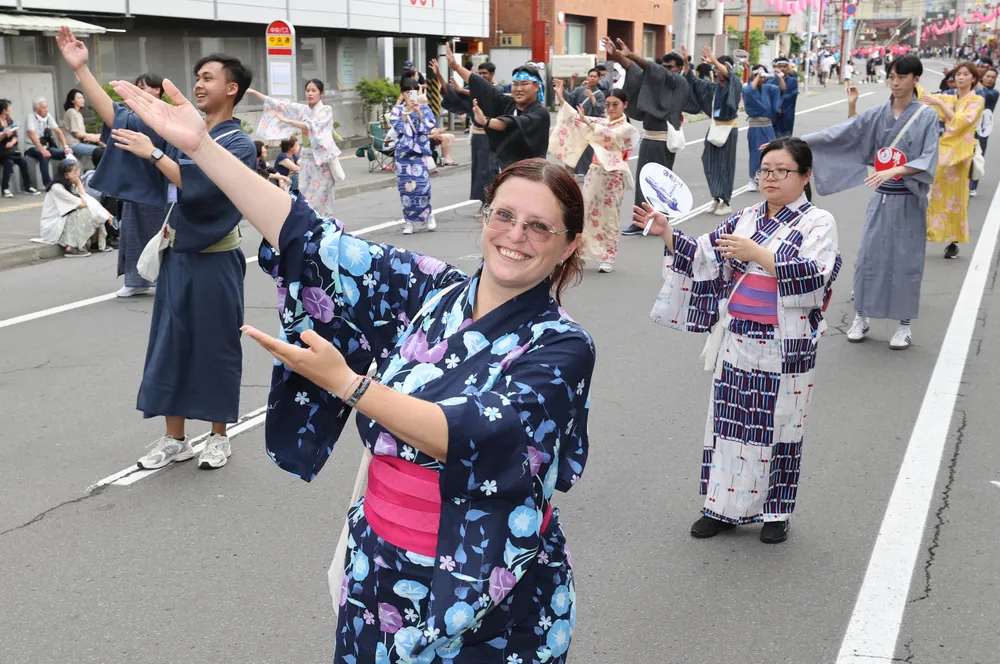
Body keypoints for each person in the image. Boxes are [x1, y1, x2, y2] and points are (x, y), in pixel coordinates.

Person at [108, 67, 598, 658]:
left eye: (539, 226)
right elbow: (309, 237)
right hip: (382, 571)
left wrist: (349, 385)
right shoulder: (433, 293)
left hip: (486, 583)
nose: (515, 236)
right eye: (503, 215)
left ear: (570, 243)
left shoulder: (562, 345)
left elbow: (480, 432)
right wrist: (201, 148)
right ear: (485, 215)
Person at [58, 26, 256, 470]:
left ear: (232, 88)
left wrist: (154, 155)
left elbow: (202, 185)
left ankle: (219, 435)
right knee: (170, 344)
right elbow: (119, 118)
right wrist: (83, 69)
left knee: (217, 346)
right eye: (197, 77)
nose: (199, 84)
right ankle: (174, 438)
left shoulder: (239, 142)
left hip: (217, 257)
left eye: (208, 77)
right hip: (177, 254)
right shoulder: (183, 128)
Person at [636, 137, 840, 544]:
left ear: (804, 176)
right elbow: (704, 256)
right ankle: (722, 508)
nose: (770, 178)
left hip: (786, 344)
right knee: (730, 426)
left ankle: (775, 513)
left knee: (780, 428)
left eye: (782, 171)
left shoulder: (819, 222)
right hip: (738, 338)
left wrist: (758, 253)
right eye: (765, 170)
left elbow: (817, 276)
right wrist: (668, 234)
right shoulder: (745, 216)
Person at [801, 54, 939, 350]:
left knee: (905, 261)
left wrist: (895, 169)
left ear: (916, 79)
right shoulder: (878, 113)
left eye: (902, 77)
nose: (895, 82)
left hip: (909, 201)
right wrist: (792, 145)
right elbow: (848, 137)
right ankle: (861, 316)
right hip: (883, 198)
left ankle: (904, 325)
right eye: (892, 76)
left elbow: (928, 158)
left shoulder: (926, 115)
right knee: (868, 258)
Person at [608, 39, 690, 236]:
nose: (664, 69)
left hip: (663, 139)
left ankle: (658, 221)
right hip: (649, 137)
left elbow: (650, 69)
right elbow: (637, 72)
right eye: (663, 66)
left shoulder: (679, 82)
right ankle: (640, 222)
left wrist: (632, 55)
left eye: (669, 67)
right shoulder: (658, 83)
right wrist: (618, 55)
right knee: (643, 182)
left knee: (660, 184)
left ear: (679, 68)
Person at [551, 83, 634, 273]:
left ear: (625, 105)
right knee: (585, 213)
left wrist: (589, 123)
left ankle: (607, 257)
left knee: (609, 216)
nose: (611, 109)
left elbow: (610, 135)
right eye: (609, 105)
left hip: (613, 177)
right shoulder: (602, 122)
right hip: (594, 173)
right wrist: (562, 98)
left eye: (616, 105)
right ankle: (578, 253)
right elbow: (577, 119)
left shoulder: (626, 127)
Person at [447, 44, 549, 183]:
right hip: (508, 172)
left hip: (533, 175)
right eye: (515, 84)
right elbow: (485, 88)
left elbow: (513, 123)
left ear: (536, 86)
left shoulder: (540, 112)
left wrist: (487, 122)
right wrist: (456, 67)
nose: (518, 89)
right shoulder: (509, 104)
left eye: (524, 84)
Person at [113, 74, 172, 298]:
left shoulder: (167, 113)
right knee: (131, 230)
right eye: (137, 87)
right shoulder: (132, 114)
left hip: (161, 176)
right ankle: (135, 280)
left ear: (157, 90)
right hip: (135, 178)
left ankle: (162, 277)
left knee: (163, 232)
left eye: (143, 87)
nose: (139, 90)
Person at [248, 79, 341, 218]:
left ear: (321, 94)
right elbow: (280, 105)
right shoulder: (303, 109)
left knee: (322, 196)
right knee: (305, 195)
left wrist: (288, 121)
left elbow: (312, 125)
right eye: (308, 90)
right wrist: (255, 93)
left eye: (313, 90)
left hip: (322, 159)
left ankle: (324, 226)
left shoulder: (326, 110)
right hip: (306, 156)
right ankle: (310, 226)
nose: (310, 93)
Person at [923, 62, 984, 260]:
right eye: (958, 74)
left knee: (957, 198)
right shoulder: (949, 97)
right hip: (944, 151)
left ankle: (953, 241)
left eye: (966, 74)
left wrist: (939, 104)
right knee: (935, 195)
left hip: (962, 155)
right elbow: (923, 96)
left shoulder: (976, 100)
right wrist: (909, 76)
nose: (960, 77)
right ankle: (928, 232)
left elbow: (960, 122)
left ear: (973, 79)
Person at [686, 46, 742, 216]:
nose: (717, 72)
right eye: (715, 69)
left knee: (725, 164)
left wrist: (715, 60)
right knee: (709, 160)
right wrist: (685, 63)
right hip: (715, 127)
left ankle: (726, 201)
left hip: (729, 128)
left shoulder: (735, 83)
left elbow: (729, 74)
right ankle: (716, 197)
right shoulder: (714, 88)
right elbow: (694, 82)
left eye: (720, 68)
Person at [435, 59, 494, 199]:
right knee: (479, 170)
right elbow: (451, 94)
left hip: (495, 136)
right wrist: (438, 75)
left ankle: (495, 201)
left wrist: (462, 90)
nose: (481, 75)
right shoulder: (471, 90)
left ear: (492, 75)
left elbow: (489, 93)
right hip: (478, 136)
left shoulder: (497, 89)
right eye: (479, 73)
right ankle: (483, 202)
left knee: (492, 169)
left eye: (484, 73)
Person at [390, 80, 437, 235]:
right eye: (406, 92)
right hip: (403, 155)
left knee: (423, 187)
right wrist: (407, 111)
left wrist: (418, 112)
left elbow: (428, 127)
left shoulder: (424, 108)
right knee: (405, 190)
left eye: (413, 92)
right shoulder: (397, 110)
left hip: (419, 154)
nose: (410, 95)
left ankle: (428, 214)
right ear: (402, 94)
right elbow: (398, 127)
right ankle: (408, 221)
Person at [39, 159, 112, 257]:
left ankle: (95, 242)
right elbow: (83, 204)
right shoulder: (57, 188)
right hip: (53, 225)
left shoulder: (70, 185)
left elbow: (89, 201)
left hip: (63, 219)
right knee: (85, 211)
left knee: (93, 211)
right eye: (75, 172)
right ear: (66, 175)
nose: (78, 174)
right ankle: (73, 247)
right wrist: (79, 184)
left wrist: (104, 211)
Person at [562, 68, 607, 177]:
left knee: (588, 150)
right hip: (577, 125)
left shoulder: (600, 94)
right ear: (587, 77)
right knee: (574, 148)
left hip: (589, 126)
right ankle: (571, 172)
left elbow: (600, 109)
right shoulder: (580, 90)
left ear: (598, 79)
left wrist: (592, 97)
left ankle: (588, 172)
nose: (592, 78)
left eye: (595, 77)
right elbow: (570, 99)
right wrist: (562, 88)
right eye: (590, 76)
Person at [744, 66, 780, 192]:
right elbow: (748, 91)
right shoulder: (747, 89)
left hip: (768, 125)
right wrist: (756, 74)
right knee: (755, 152)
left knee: (771, 152)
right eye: (759, 76)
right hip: (755, 126)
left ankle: (770, 177)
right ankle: (753, 178)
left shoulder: (769, 88)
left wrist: (776, 75)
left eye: (764, 76)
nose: (762, 78)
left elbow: (779, 88)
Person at [22, 98, 73, 187]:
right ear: (37, 110)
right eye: (44, 108)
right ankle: (48, 184)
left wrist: (65, 147)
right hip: (31, 147)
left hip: (46, 147)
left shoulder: (48, 116)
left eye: (47, 107)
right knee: (43, 156)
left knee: (64, 155)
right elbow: (32, 134)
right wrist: (42, 150)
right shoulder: (30, 117)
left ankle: (66, 180)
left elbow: (58, 131)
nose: (46, 110)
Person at [0, 100, 41, 197]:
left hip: (10, 150)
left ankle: (28, 186)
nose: (10, 109)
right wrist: (4, 135)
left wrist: (12, 142)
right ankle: (5, 188)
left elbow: (15, 135)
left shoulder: (9, 120)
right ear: (3, 110)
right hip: (1, 150)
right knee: (9, 162)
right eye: (9, 107)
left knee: (22, 161)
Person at [970, 67, 998, 198]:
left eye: (993, 77)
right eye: (988, 76)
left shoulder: (994, 93)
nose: (990, 79)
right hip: (970, 126)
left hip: (982, 130)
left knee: (978, 157)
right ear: (983, 77)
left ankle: (973, 186)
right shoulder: (974, 89)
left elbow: (984, 95)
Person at [61, 89, 103, 159]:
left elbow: (83, 134)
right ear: (72, 100)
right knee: (100, 151)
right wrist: (94, 135)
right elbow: (77, 134)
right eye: (79, 98)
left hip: (80, 143)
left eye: (82, 98)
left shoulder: (78, 114)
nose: (82, 100)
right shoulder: (71, 112)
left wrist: (94, 138)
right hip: (73, 145)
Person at [766, 57, 799, 138]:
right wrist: (775, 107)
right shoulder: (770, 82)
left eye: (784, 66)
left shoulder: (793, 81)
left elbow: (791, 95)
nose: (782, 69)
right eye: (780, 66)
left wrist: (779, 106)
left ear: (788, 67)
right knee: (773, 140)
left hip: (787, 113)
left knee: (786, 139)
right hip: (773, 115)